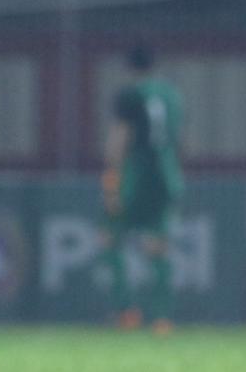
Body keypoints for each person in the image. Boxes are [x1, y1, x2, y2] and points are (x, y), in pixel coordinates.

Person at [101, 45, 184, 335]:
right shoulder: (172, 96)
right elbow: (178, 139)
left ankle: (126, 312)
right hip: (168, 174)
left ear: (129, 68)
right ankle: (162, 318)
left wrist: (112, 177)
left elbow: (120, 137)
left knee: (110, 238)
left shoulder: (130, 94)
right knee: (158, 245)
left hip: (137, 174)